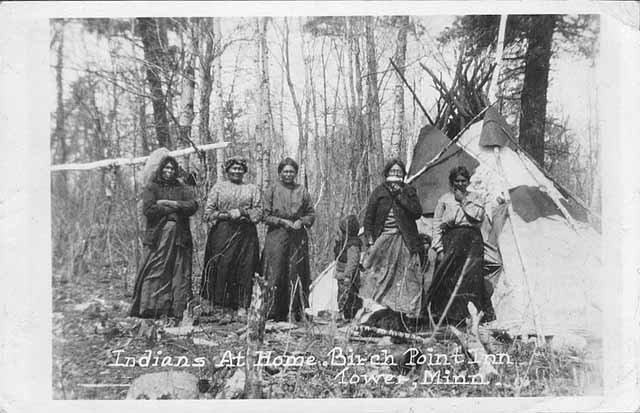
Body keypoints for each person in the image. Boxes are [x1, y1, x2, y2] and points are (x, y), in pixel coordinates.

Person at [130, 155, 198, 324]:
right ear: (161, 170)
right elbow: (149, 210)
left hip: (179, 237)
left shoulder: (181, 187)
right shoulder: (152, 187)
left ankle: (174, 310)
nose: (169, 171)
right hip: (158, 237)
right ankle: (150, 308)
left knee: (178, 270)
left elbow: (193, 205)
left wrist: (171, 204)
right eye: (166, 168)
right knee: (156, 267)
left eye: (172, 169)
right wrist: (171, 209)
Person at [426, 166, 495, 326]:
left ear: (468, 181)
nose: (460, 184)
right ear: (452, 182)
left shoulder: (477, 198)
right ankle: (446, 317)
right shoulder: (444, 199)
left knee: (471, 279)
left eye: (463, 181)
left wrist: (463, 200)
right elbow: (437, 224)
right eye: (457, 181)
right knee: (447, 277)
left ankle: (469, 317)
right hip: (451, 240)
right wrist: (439, 248)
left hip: (472, 242)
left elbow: (477, 216)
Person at [360, 159, 426, 321]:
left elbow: (417, 212)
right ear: (387, 173)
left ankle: (405, 313)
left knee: (407, 276)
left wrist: (400, 196)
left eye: (399, 172)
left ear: (403, 175)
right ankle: (376, 310)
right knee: (379, 275)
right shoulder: (379, 192)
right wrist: (369, 242)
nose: (396, 174)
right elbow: (369, 219)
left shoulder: (408, 190)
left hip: (405, 239)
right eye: (393, 172)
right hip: (383, 240)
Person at [200, 157, 262, 319]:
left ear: (244, 171)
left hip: (246, 234)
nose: (236, 171)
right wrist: (227, 214)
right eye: (233, 168)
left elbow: (258, 212)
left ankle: (242, 305)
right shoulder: (219, 188)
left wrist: (242, 212)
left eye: (240, 169)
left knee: (245, 268)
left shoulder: (251, 188)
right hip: (222, 232)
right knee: (221, 265)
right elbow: (208, 213)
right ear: (227, 171)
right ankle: (219, 305)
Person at [261, 157, 315, 322]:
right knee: (275, 272)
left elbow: (311, 213)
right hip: (277, 235)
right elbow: (264, 215)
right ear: (280, 172)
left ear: (296, 173)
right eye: (285, 171)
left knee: (295, 272)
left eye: (292, 171)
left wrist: (302, 221)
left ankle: (294, 311)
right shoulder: (272, 190)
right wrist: (282, 221)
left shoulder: (302, 190)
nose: (288, 174)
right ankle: (272, 312)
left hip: (297, 237)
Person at [333, 214, 363, 320]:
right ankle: (343, 313)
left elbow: (353, 263)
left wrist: (346, 275)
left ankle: (349, 316)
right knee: (342, 296)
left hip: (348, 277)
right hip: (342, 275)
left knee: (349, 297)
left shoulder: (352, 245)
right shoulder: (343, 243)